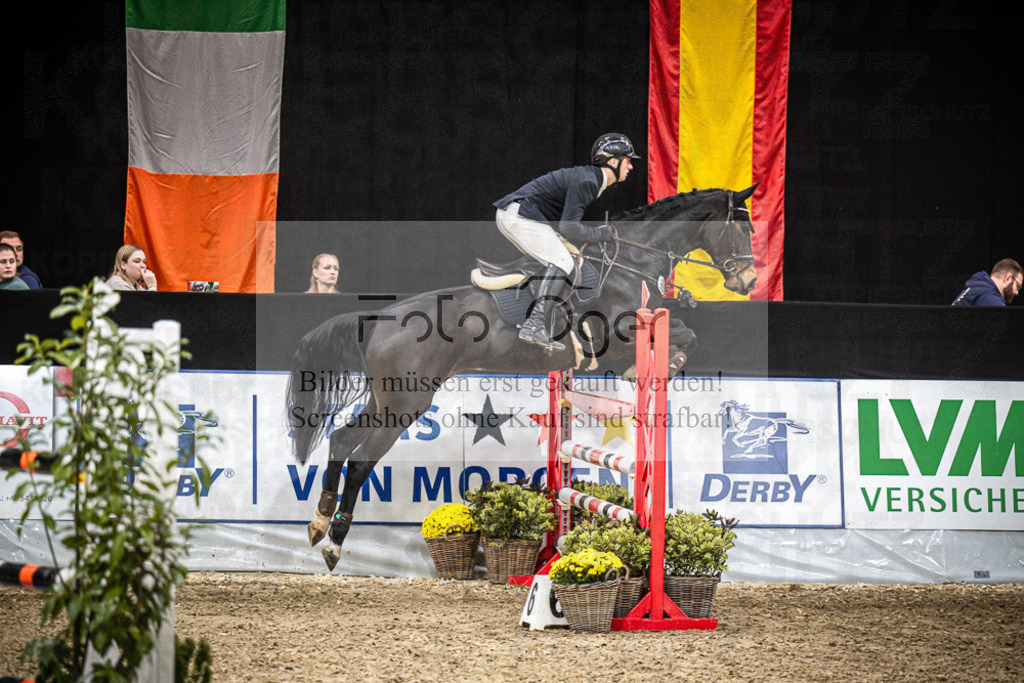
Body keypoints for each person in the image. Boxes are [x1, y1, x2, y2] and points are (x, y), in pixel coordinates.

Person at [492, 133, 641, 351]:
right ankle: (534, 324)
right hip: (519, 216)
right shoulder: (588, 181)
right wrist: (600, 234)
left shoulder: (590, 179)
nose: (631, 167)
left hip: (515, 214)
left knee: (561, 261)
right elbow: (569, 228)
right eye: (628, 161)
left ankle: (543, 321)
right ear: (613, 162)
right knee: (564, 263)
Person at [952, 259, 1022, 306]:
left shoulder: (978, 287)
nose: (1017, 292)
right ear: (1008, 279)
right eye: (1017, 286)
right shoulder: (991, 300)